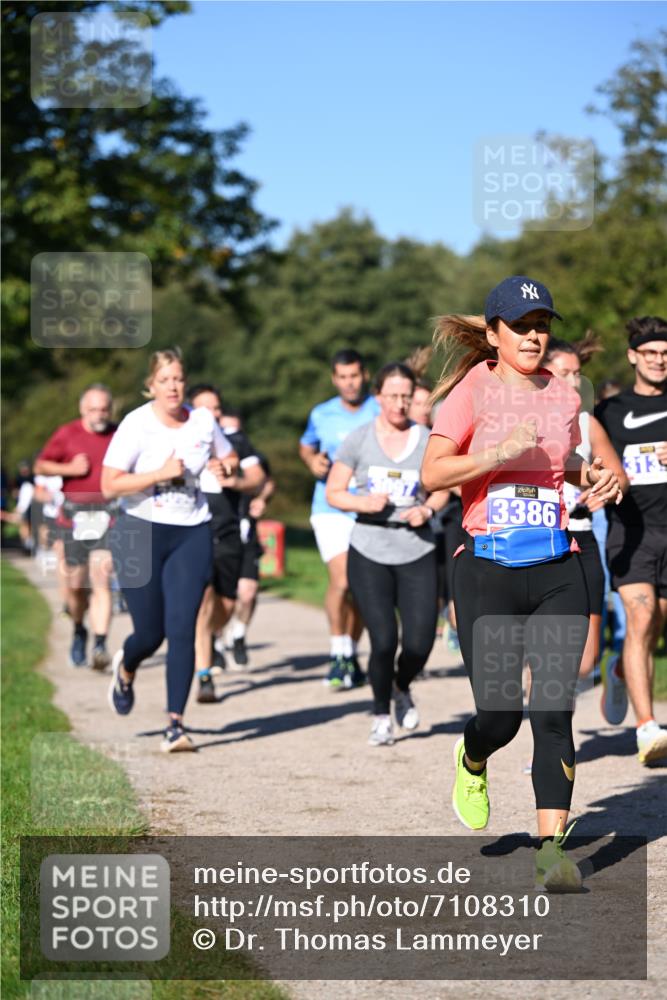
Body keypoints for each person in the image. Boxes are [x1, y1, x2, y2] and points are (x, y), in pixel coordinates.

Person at [422, 276, 622, 892]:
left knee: (554, 708)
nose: (535, 335)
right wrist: (494, 452)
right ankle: (474, 754)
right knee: (502, 713)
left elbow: (555, 457)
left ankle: (549, 851)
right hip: (487, 568)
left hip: (558, 565)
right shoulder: (469, 392)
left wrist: (591, 473)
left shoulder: (564, 395)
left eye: (542, 324)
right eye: (521, 325)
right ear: (493, 333)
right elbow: (433, 474)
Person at [101, 349, 238, 752]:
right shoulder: (136, 424)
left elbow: (228, 455)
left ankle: (175, 725)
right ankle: (126, 667)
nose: (174, 387)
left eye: (178, 378)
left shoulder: (202, 420)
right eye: (165, 380)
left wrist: (223, 468)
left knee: (182, 628)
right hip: (139, 530)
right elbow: (110, 484)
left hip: (191, 531)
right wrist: (159, 473)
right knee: (150, 633)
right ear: (152, 385)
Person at [326, 362, 449, 746]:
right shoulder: (359, 439)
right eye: (392, 396)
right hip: (370, 547)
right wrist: (362, 502)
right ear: (378, 396)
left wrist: (427, 509)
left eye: (406, 397)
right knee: (383, 640)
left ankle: (401, 685)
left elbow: (444, 487)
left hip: (416, 547)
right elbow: (334, 492)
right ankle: (381, 714)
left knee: (419, 642)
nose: (399, 404)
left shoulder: (429, 439)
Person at [594, 316, 667, 764]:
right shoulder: (609, 412)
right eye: (652, 354)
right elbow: (588, 462)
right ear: (633, 357)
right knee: (639, 619)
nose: (660, 361)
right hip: (630, 531)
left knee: (656, 622)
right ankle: (647, 729)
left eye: (665, 355)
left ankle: (620, 669)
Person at [542, 335, 628, 686]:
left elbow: (619, 478)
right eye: (565, 373)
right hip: (537, 538)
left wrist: (604, 490)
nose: (575, 382)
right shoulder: (518, 419)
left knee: (585, 660)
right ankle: (553, 734)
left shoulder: (587, 424)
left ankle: (614, 669)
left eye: (578, 374)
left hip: (581, 537)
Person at [299, 349, 379, 690]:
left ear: (365, 375)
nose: (350, 383)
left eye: (355, 376)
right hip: (330, 507)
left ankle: (351, 653)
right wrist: (312, 461)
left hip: (368, 508)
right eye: (343, 377)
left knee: (361, 589)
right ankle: (337, 652)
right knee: (343, 580)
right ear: (335, 379)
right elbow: (306, 446)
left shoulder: (380, 408)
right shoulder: (322, 413)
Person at [188, 385, 264, 702]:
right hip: (196, 533)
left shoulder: (234, 443)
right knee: (204, 603)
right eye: (204, 408)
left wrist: (235, 479)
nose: (212, 414)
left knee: (228, 605)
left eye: (216, 408)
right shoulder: (180, 442)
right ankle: (204, 676)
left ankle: (212, 636)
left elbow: (257, 477)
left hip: (231, 535)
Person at [34, 386, 117, 669]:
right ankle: (80, 629)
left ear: (110, 409)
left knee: (102, 579)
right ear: (83, 410)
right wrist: (69, 469)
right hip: (73, 517)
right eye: (93, 409)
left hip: (108, 515)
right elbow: (41, 466)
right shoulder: (67, 433)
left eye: (104, 409)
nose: (99, 415)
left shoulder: (118, 434)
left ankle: (101, 644)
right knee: (76, 586)